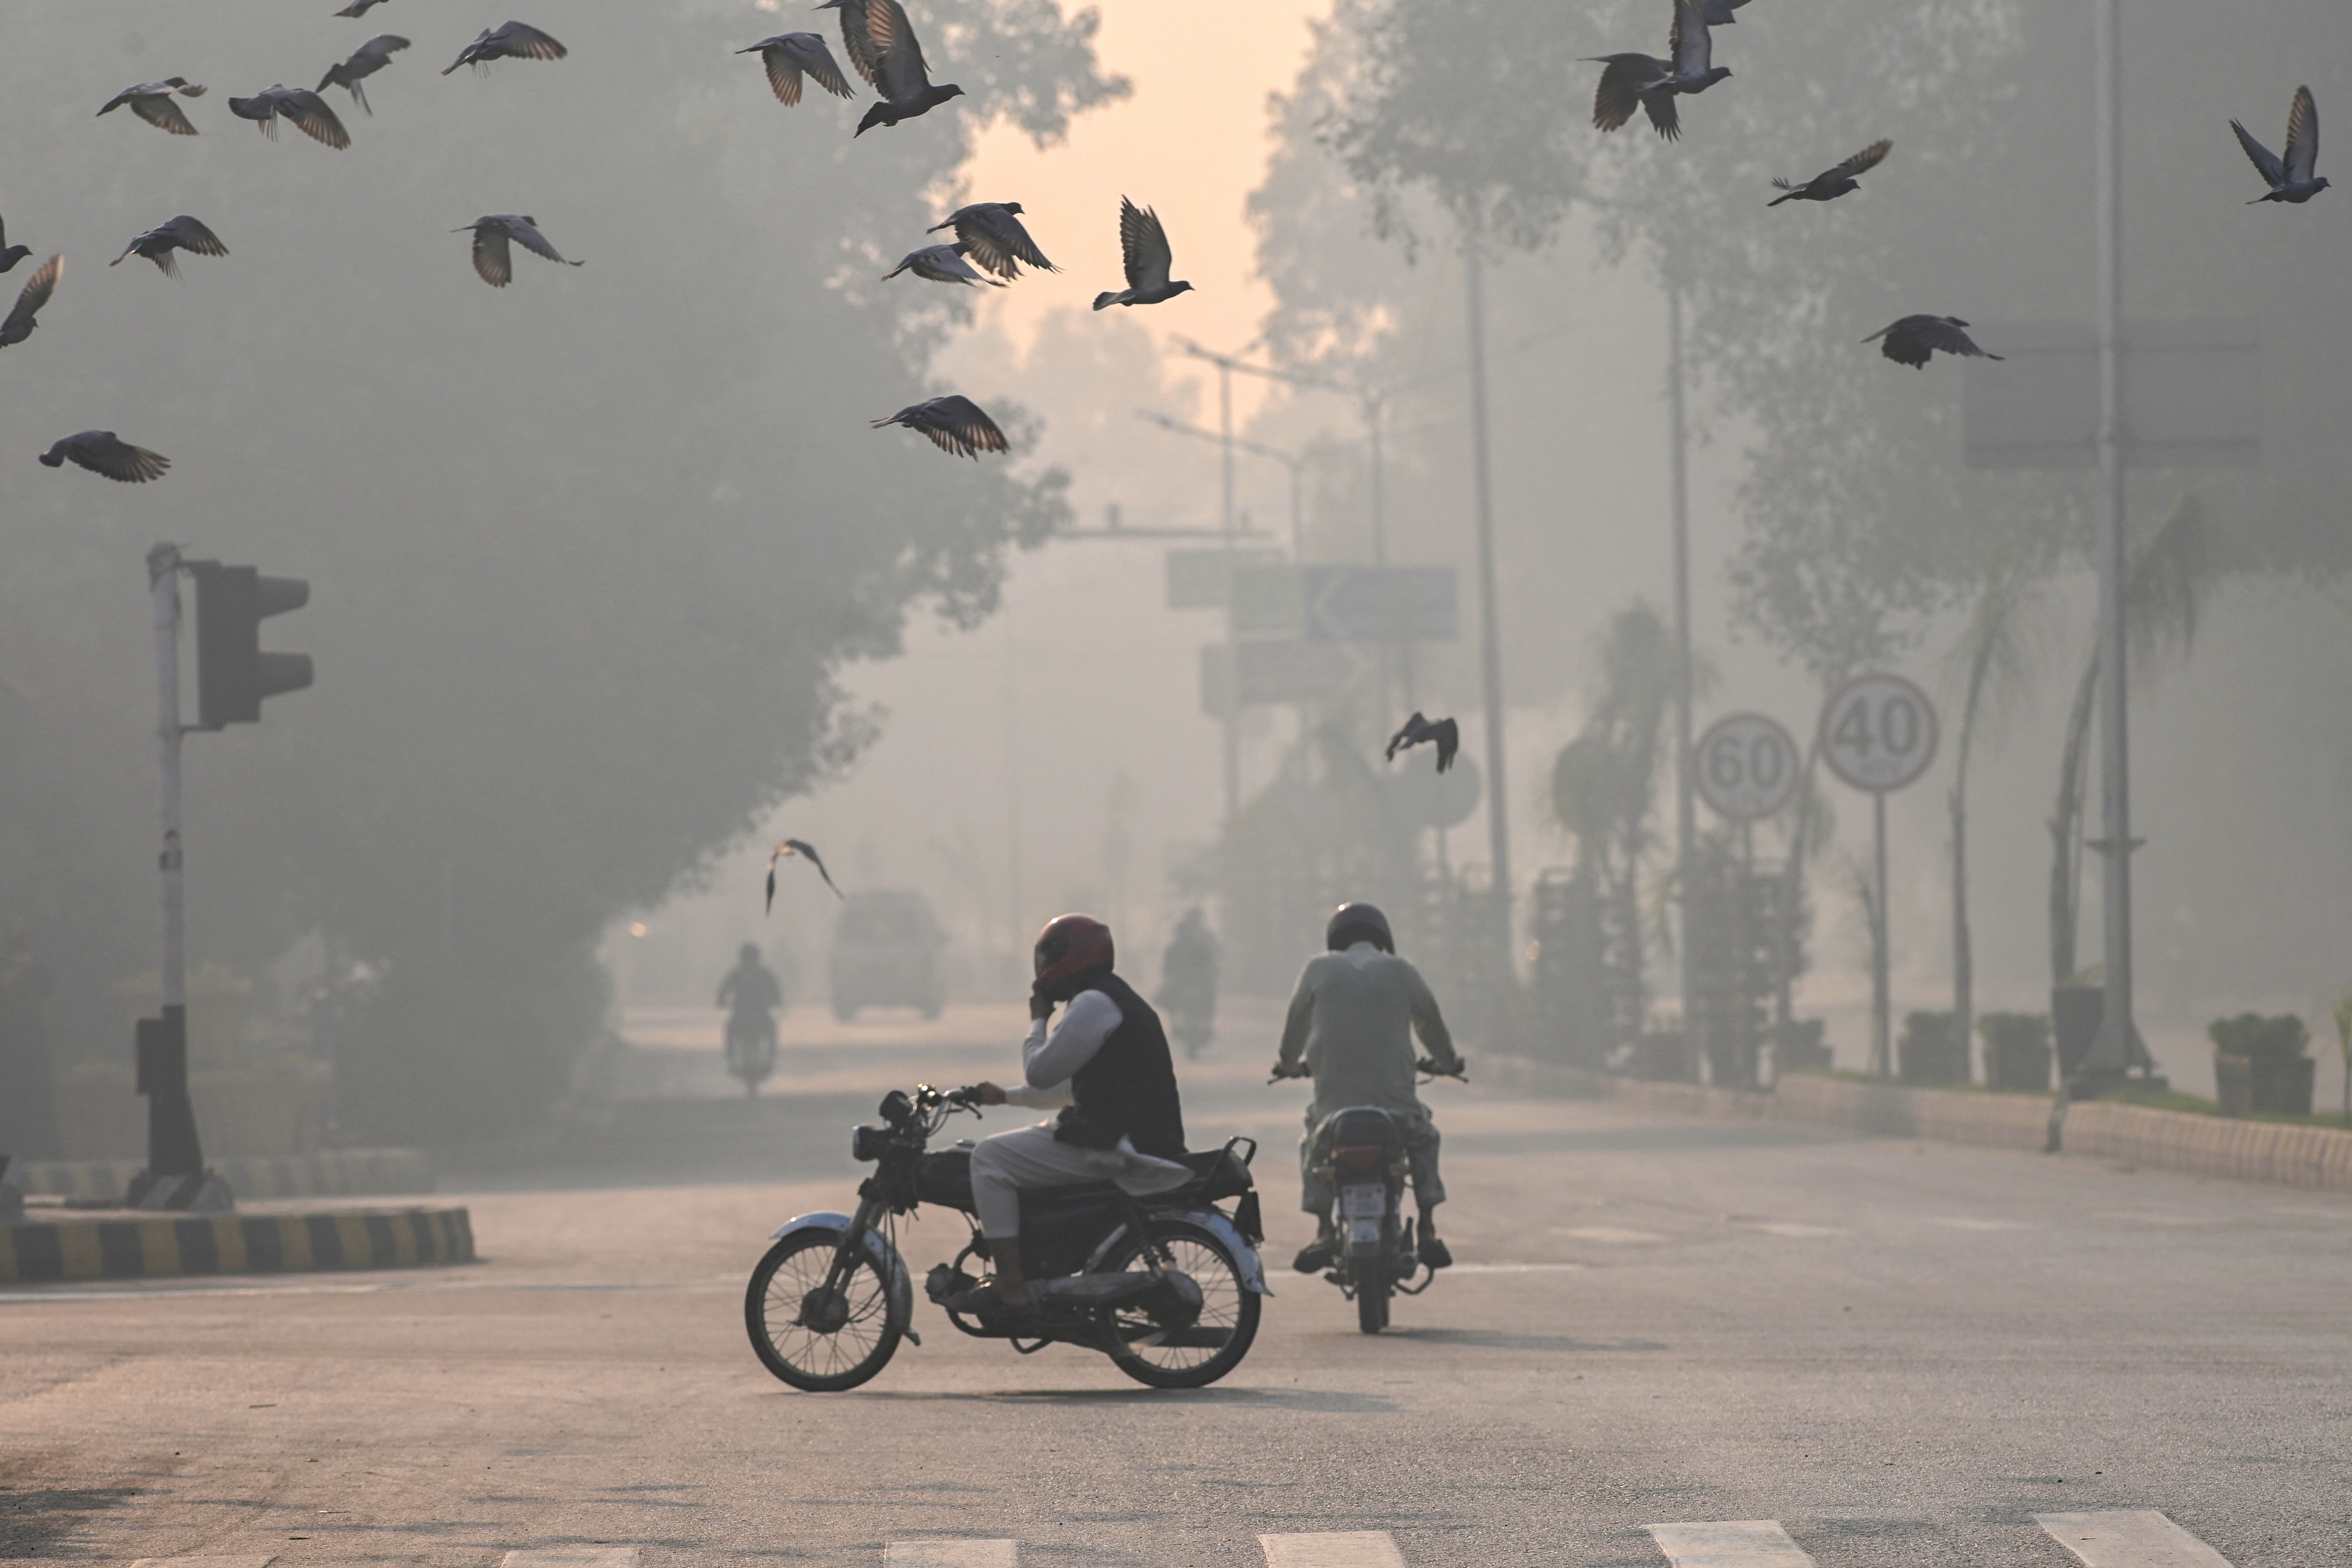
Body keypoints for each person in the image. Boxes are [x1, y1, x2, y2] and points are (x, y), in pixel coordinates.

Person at [958, 913, 1193, 1317]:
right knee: (1026, 1142)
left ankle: (1012, 1287)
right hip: (1130, 1136)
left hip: (1116, 1144)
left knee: (988, 1160)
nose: (1044, 969)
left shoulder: (1092, 1003)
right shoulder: (1114, 998)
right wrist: (1005, 1098)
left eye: (1049, 957)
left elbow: (1041, 1070)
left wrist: (1038, 1019)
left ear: (1072, 956)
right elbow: (1073, 1089)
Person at [1272, 902, 1464, 1275]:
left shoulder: (1317, 969)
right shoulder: (1402, 970)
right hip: (1396, 1112)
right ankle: (1427, 1227)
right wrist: (1447, 1061)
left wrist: (1290, 1064)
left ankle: (1325, 1230)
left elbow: (1295, 1027)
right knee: (1425, 1139)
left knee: (1311, 1145)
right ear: (1382, 939)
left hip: (1334, 1115)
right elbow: (1431, 1025)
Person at [715, 943, 783, 1092]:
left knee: (730, 1030)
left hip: (741, 1016)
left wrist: (721, 1003)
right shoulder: (765, 973)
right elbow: (777, 993)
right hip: (761, 1016)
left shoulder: (736, 974)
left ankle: (731, 1058)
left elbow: (722, 994)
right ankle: (771, 1056)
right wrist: (776, 1002)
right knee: (772, 1028)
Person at [1154, 907, 1219, 1059]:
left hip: (1194, 981)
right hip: (1185, 981)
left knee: (1210, 996)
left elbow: (1212, 963)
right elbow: (1168, 966)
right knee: (1166, 998)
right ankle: (1176, 1024)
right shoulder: (1194, 941)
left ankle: (1199, 1025)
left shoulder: (1202, 940)